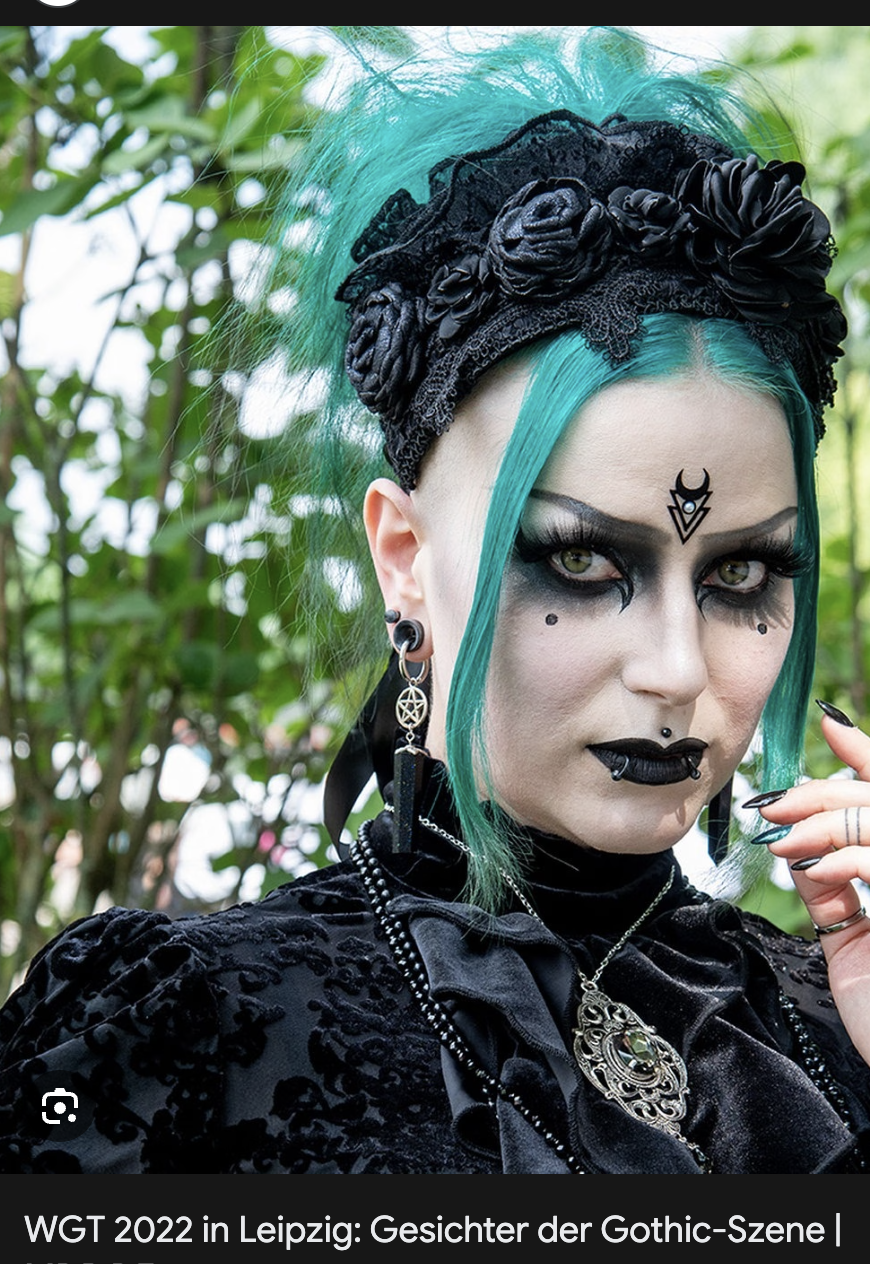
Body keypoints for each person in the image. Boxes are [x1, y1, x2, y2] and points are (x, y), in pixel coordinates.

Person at [1, 27, 869, 1175]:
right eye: (581, 562)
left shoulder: (836, 1014)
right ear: (404, 557)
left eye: (741, 575)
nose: (677, 668)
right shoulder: (178, 1035)